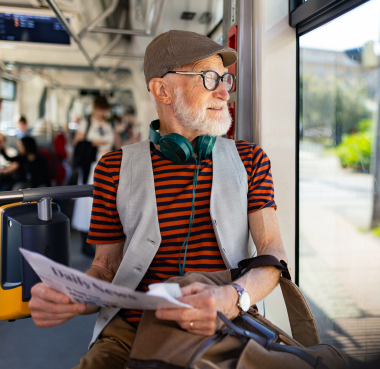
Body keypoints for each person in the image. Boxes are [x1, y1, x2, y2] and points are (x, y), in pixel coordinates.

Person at [28, 30, 287, 369]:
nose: (224, 92)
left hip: (224, 320)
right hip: (131, 328)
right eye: (209, 78)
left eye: (225, 79)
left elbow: (273, 250)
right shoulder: (113, 167)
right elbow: (105, 268)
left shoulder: (250, 159)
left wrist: (234, 297)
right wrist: (75, 295)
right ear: (162, 89)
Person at [71, 95, 116, 257]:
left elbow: (116, 144)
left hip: (108, 165)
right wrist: (92, 143)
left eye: (104, 110)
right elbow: (76, 144)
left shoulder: (110, 123)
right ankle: (86, 241)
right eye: (99, 109)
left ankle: (101, 242)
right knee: (87, 203)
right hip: (91, 166)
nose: (101, 113)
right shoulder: (86, 123)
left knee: (104, 202)